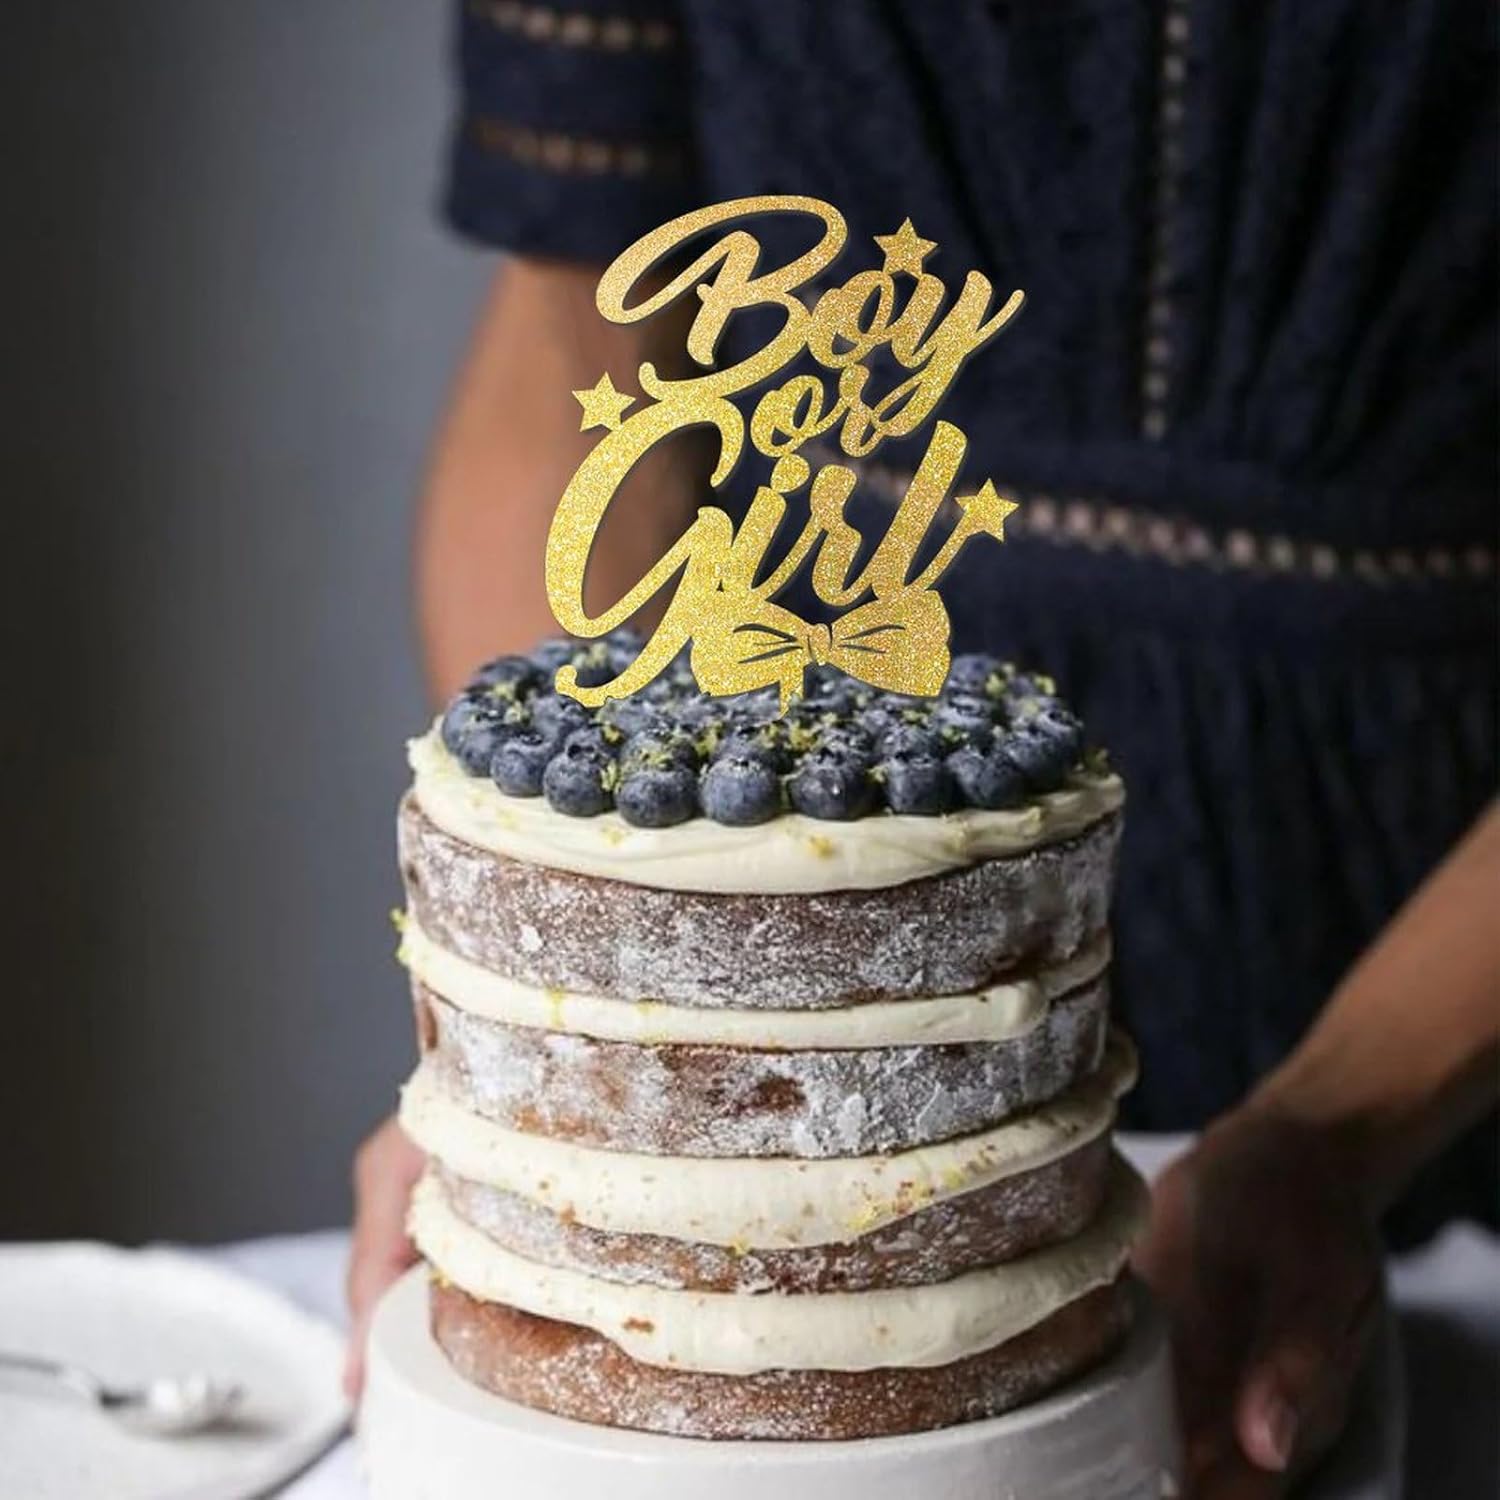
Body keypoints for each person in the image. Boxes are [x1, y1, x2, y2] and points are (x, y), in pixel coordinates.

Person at [347, 4, 1499, 1494]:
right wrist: (563, 1063)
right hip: (781, 712)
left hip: (1435, 992)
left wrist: (1339, 1129)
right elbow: (582, 337)